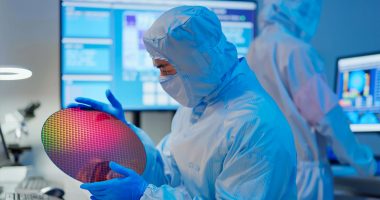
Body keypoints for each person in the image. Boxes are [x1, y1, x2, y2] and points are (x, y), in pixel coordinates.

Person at [71, 6, 297, 199]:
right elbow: (167, 174)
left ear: (194, 62)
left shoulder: (255, 125)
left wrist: (144, 194)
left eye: (163, 67)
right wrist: (126, 136)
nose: (162, 78)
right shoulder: (197, 103)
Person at [246, 0, 378, 199]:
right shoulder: (295, 51)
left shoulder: (253, 51)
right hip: (303, 178)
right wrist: (364, 163)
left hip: (266, 174)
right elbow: (327, 117)